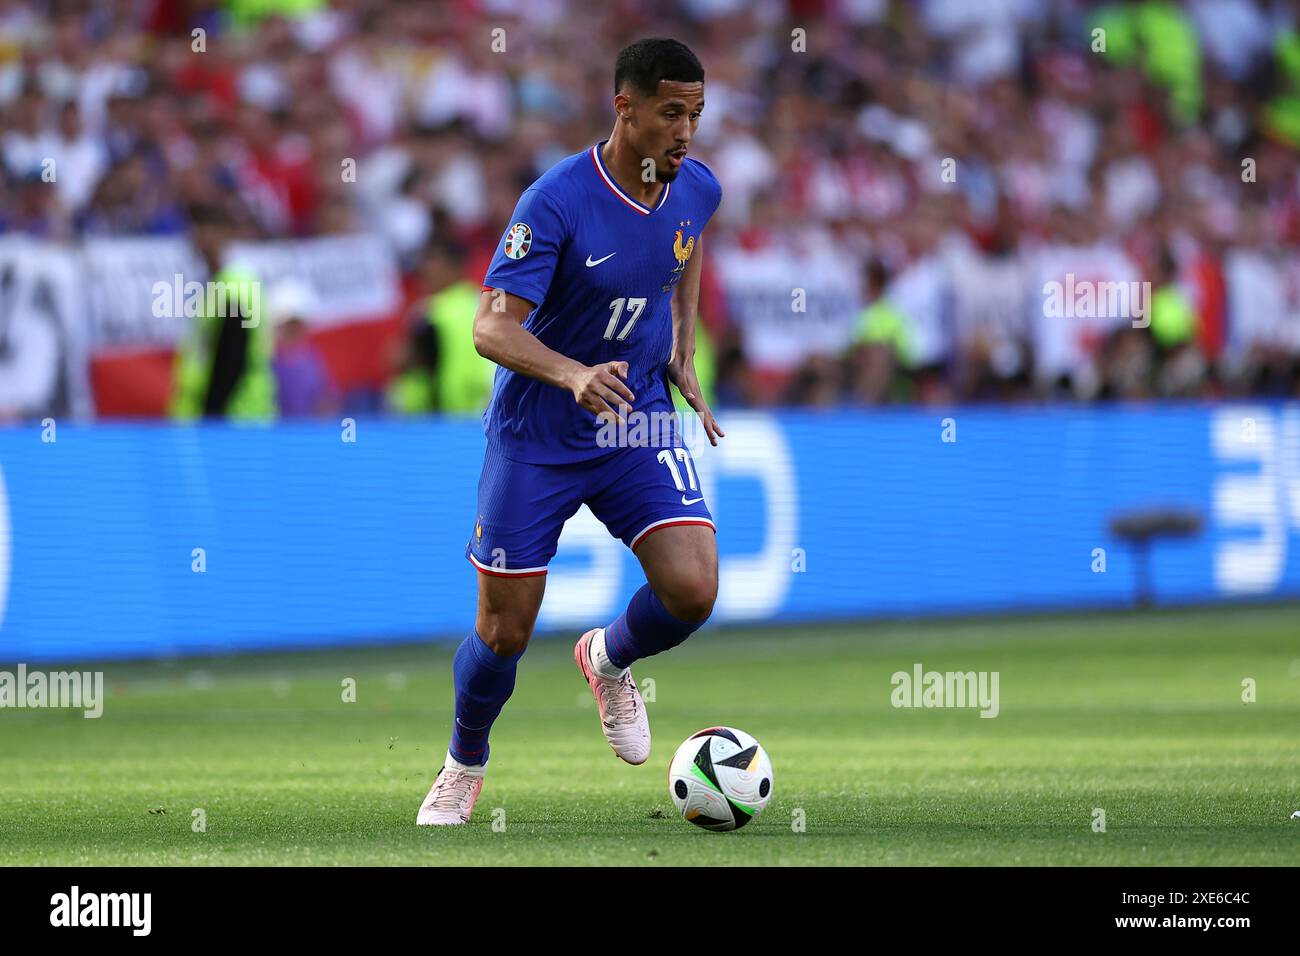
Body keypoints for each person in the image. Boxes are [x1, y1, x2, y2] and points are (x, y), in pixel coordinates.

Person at [417, 38, 724, 825]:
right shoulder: (555, 202)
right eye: (670, 113)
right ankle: (463, 763)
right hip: (539, 434)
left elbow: (686, 244)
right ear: (625, 107)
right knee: (502, 633)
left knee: (692, 589)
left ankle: (608, 658)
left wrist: (683, 347)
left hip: (634, 417)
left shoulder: (695, 186)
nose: (685, 131)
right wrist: (573, 375)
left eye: (694, 114)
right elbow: (490, 328)